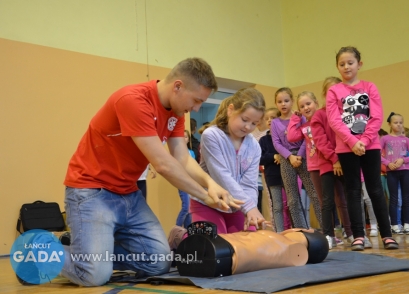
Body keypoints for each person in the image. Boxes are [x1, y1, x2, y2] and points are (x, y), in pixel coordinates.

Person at [61, 58, 242, 287]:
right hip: (91, 192)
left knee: (159, 262)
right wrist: (206, 197)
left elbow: (182, 157)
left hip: (128, 193)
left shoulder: (176, 111)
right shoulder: (133, 100)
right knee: (93, 275)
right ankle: (44, 252)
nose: (196, 108)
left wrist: (210, 183)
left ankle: (85, 247)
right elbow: (163, 164)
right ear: (178, 86)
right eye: (196, 100)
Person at [326, 46, 398, 251]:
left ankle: (387, 235)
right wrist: (351, 141)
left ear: (359, 64)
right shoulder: (334, 91)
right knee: (353, 190)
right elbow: (334, 120)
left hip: (370, 146)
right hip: (346, 147)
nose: (346, 66)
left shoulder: (370, 87)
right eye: (342, 64)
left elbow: (376, 116)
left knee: (375, 189)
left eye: (350, 62)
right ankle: (359, 235)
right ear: (337, 67)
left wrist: (364, 141)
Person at [191, 88, 269, 234]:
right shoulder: (211, 136)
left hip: (237, 205)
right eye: (244, 120)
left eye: (254, 123)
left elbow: (250, 184)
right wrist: (249, 207)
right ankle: (180, 236)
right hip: (207, 203)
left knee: (249, 246)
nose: (248, 127)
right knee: (217, 249)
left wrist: (250, 211)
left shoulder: (254, 146)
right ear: (231, 110)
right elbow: (222, 176)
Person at [311, 77, 354, 247]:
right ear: (324, 94)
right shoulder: (319, 115)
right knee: (328, 201)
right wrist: (335, 159)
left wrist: (342, 160)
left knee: (347, 199)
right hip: (327, 163)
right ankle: (328, 235)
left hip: (345, 163)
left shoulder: (347, 113)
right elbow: (321, 141)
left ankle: (352, 233)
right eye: (330, 92)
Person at [271, 87, 319, 229]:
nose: (283, 104)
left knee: (314, 194)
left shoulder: (300, 117)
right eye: (279, 102)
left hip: (303, 156)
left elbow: (307, 137)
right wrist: (289, 156)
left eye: (286, 101)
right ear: (276, 103)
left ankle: (326, 230)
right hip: (286, 159)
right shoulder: (275, 123)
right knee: (292, 199)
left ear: (292, 101)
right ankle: (301, 229)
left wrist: (299, 155)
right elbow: (276, 143)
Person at [286, 91, 325, 242]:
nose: (306, 107)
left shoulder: (322, 118)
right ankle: (328, 232)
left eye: (308, 104)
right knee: (321, 198)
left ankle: (341, 230)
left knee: (332, 199)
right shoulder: (304, 126)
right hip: (313, 165)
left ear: (316, 102)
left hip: (327, 164)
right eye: (302, 106)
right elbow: (291, 137)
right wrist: (295, 118)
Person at [380, 113, 409, 235]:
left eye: (401, 122)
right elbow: (377, 154)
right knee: (394, 199)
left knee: (407, 198)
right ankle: (395, 225)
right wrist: (387, 163)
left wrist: (403, 160)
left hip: (405, 171)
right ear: (389, 124)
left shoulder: (406, 140)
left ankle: (407, 224)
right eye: (396, 122)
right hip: (392, 172)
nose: (399, 125)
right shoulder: (384, 139)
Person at [259, 107, 287, 232]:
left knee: (291, 204)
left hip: (288, 175)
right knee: (277, 206)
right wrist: (273, 156)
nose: (270, 120)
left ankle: (294, 230)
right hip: (272, 176)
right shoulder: (263, 140)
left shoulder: (285, 136)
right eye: (267, 118)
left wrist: (282, 155)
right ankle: (279, 232)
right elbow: (260, 158)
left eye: (273, 117)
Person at [175, 130, 195, 228]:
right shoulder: (177, 153)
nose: (184, 139)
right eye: (181, 136)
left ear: (188, 139)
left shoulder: (191, 153)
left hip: (191, 183)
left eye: (186, 137)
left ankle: (188, 232)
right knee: (186, 207)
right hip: (182, 182)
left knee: (190, 209)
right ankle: (176, 229)